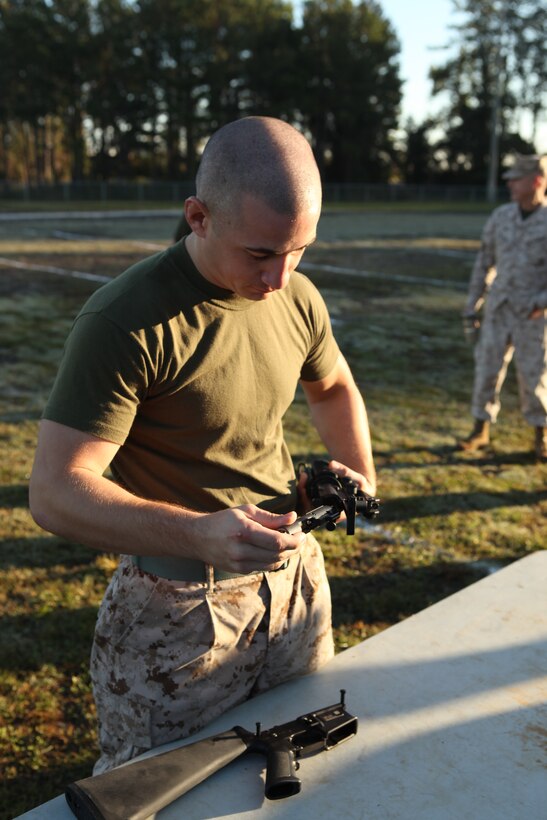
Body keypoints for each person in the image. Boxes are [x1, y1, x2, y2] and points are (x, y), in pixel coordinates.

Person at [29, 116, 376, 774]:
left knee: (300, 765)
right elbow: (54, 492)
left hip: (295, 585)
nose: (280, 276)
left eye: (298, 249)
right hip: (179, 615)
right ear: (198, 216)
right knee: (155, 790)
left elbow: (331, 388)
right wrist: (197, 534)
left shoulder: (297, 296)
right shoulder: (125, 320)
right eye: (259, 253)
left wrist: (357, 470)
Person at [457, 153, 547, 460]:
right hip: (498, 310)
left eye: (516, 178)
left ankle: (542, 436)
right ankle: (480, 429)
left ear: (536, 180)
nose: (509, 183)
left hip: (533, 315)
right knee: (487, 370)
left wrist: (540, 304)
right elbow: (484, 263)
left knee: (535, 377)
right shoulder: (501, 217)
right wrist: (473, 304)